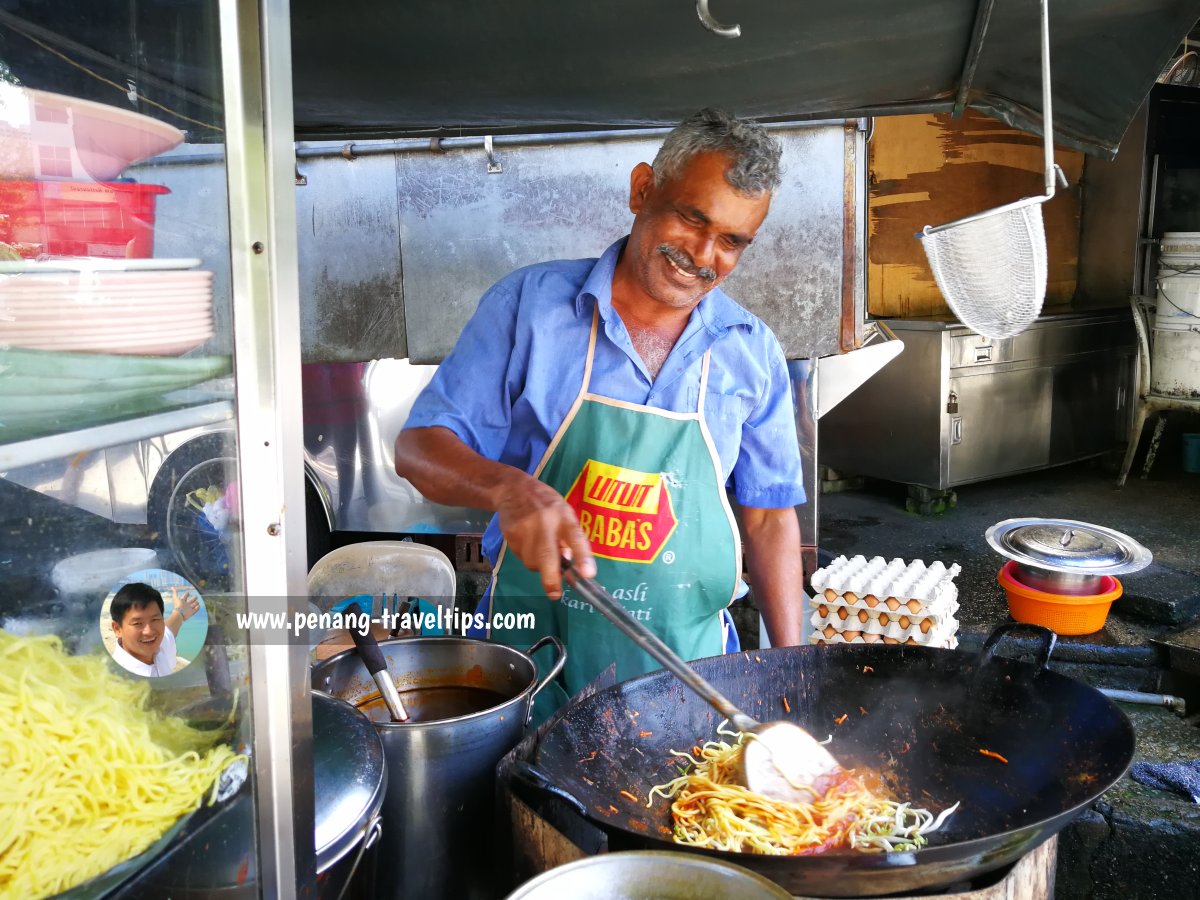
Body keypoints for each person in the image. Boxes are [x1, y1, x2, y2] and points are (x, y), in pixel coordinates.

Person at [395, 108, 805, 705]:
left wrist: (793, 671)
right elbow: (418, 448)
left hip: (691, 674)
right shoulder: (529, 307)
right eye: (693, 219)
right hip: (532, 658)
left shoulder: (752, 351)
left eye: (733, 241)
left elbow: (769, 517)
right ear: (643, 190)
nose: (703, 255)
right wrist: (510, 490)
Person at [109, 582, 200, 677]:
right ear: (117, 629)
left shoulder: (159, 646)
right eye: (137, 623)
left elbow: (170, 629)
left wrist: (180, 612)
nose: (149, 631)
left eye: (155, 619)